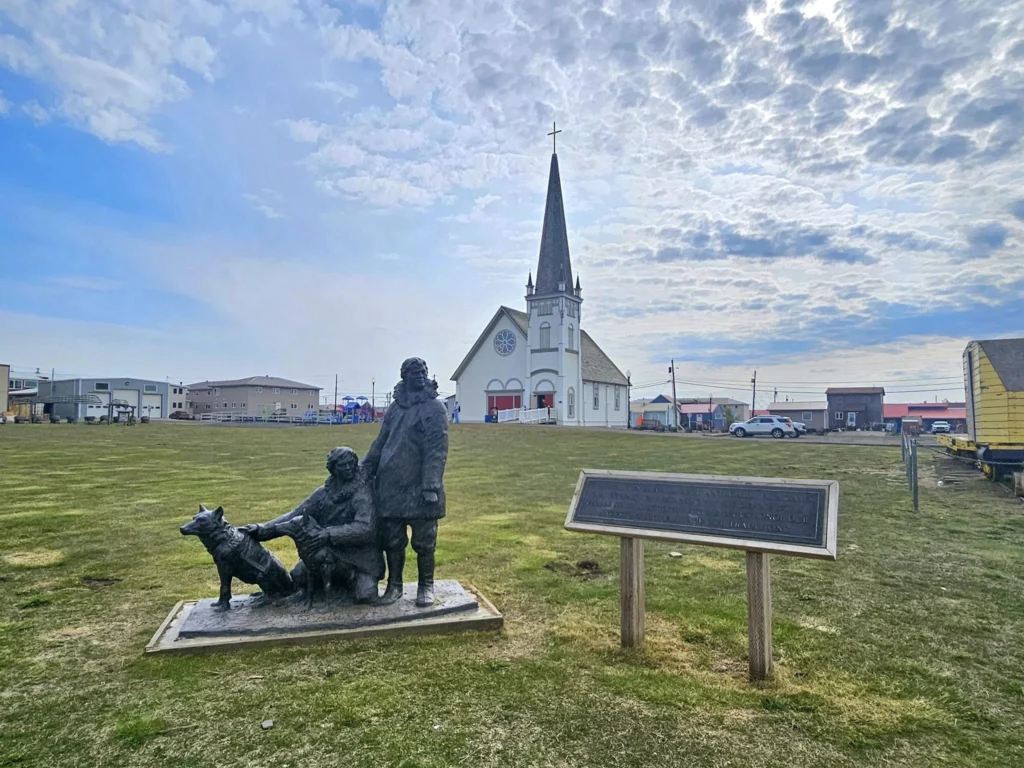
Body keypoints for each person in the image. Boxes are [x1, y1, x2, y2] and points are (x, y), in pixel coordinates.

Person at [242, 447, 383, 603]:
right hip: (330, 553)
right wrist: (263, 529)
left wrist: (327, 534)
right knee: (298, 576)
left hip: (360, 560)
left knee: (365, 595)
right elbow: (295, 515)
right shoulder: (323, 494)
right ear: (333, 469)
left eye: (352, 463)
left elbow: (365, 528)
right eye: (343, 465)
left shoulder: (362, 493)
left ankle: (343, 587)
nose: (349, 468)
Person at [363, 357, 448, 607]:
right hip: (390, 485)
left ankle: (426, 585)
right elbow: (381, 441)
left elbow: (437, 449)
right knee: (393, 540)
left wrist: (431, 485)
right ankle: (394, 585)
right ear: (404, 376)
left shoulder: (435, 408)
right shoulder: (396, 408)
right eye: (414, 372)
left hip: (421, 487)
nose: (420, 375)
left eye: (423, 371)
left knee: (424, 540)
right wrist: (366, 466)